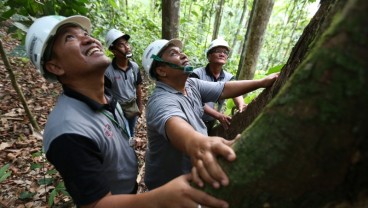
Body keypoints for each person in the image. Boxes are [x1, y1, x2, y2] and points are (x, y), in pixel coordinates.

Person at [25, 15, 230, 208]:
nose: (89, 40)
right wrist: (158, 199)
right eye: (70, 38)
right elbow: (95, 204)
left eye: (85, 34)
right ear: (55, 66)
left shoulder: (106, 98)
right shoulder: (68, 131)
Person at [142, 39, 279, 190]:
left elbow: (224, 88)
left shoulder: (191, 85)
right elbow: (175, 125)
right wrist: (201, 143)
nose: (183, 55)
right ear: (161, 70)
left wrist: (261, 82)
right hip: (168, 187)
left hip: (190, 177)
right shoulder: (161, 101)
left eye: (181, 52)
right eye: (174, 54)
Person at [190, 37, 246, 133]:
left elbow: (236, 92)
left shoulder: (228, 77)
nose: (222, 54)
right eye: (218, 51)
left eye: (225, 52)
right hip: (193, 120)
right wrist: (218, 115)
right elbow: (195, 100)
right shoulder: (196, 74)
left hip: (211, 122)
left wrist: (241, 104)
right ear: (209, 56)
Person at [104, 29, 143, 137]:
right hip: (117, 109)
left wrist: (140, 107)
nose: (127, 47)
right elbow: (105, 94)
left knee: (131, 132)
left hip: (132, 106)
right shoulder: (108, 71)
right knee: (124, 134)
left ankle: (130, 149)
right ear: (114, 51)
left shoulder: (134, 67)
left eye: (126, 43)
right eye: (121, 45)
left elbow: (138, 88)